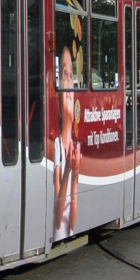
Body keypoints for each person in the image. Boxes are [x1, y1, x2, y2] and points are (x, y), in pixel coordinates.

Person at [53, 45, 81, 241]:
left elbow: (72, 224)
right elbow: (57, 221)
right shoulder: (57, 146)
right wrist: (69, 172)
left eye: (71, 76)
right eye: (64, 75)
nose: (69, 85)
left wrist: (75, 179)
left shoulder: (76, 147)